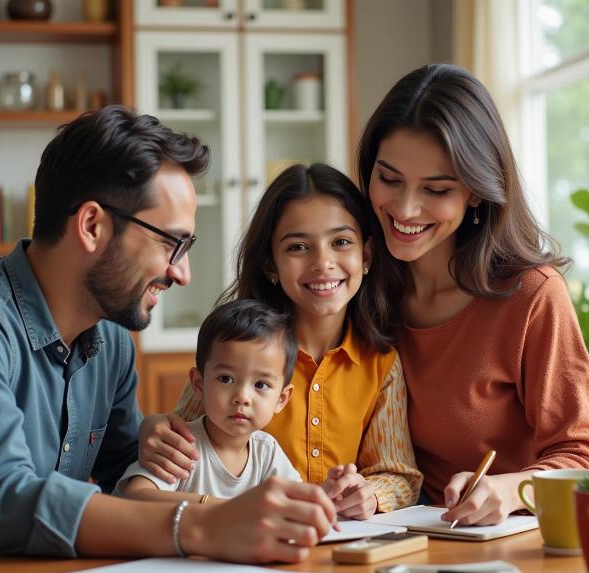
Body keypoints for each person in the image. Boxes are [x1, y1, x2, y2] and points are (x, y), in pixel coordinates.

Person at [0, 105, 336, 562]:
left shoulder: (110, 343)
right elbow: (3, 499)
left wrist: (147, 441)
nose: (183, 272)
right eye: (171, 242)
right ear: (92, 226)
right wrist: (206, 522)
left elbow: (126, 479)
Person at [357, 63, 589, 526]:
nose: (404, 208)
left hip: (506, 541)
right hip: (387, 536)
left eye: (436, 189)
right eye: (389, 178)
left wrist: (507, 489)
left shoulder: (533, 297)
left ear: (478, 193)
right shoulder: (356, 281)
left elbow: (581, 454)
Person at [175, 163, 422, 519]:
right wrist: (157, 431)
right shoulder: (234, 349)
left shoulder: (380, 363)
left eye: (340, 242)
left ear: (366, 255)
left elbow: (399, 475)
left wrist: (369, 494)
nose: (323, 263)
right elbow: (176, 440)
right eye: (298, 247)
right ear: (270, 266)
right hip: (238, 542)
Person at [117, 299, 301, 502]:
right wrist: (221, 508)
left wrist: (329, 495)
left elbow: (297, 501)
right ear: (199, 384)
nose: (242, 397)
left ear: (281, 399)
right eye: (226, 379)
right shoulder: (182, 445)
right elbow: (137, 496)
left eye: (260, 385)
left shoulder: (267, 451)